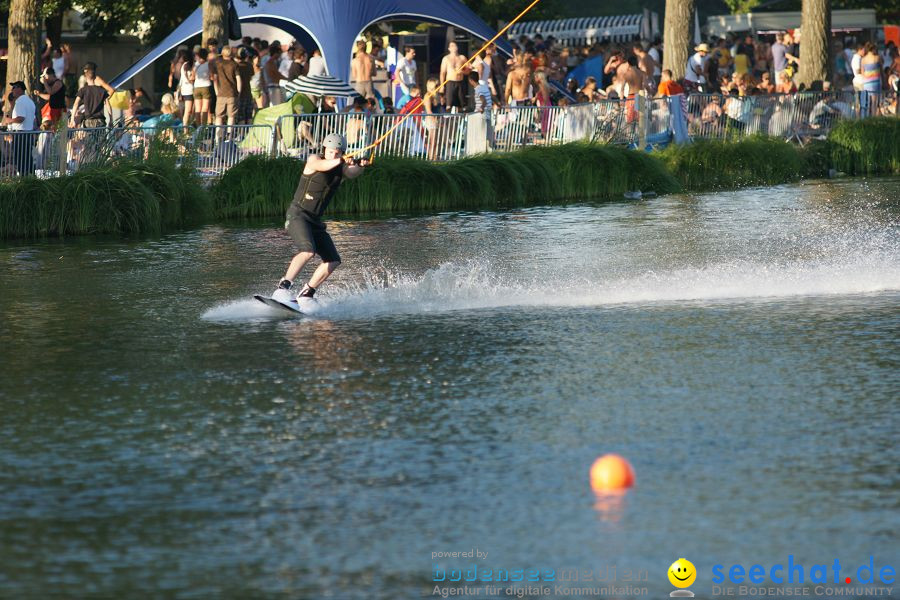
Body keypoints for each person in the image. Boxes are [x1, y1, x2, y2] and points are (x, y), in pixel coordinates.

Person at [274, 133, 369, 302]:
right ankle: (283, 287)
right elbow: (323, 166)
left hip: (315, 221)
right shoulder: (313, 160)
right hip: (298, 215)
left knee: (333, 260)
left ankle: (307, 293)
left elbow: (352, 172)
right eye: (332, 152)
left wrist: (361, 165)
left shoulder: (341, 168)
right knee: (308, 251)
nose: (335, 155)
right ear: (325, 149)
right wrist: (341, 160)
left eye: (338, 153)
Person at [3, 82, 37, 175]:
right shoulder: (30, 101)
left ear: (20, 89)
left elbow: (21, 118)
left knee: (21, 159)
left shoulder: (20, 101)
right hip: (28, 133)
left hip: (20, 134)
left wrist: (9, 120)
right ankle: (31, 179)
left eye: (14, 87)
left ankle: (24, 180)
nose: (12, 90)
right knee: (27, 159)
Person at [70, 63, 114, 128]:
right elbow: (108, 105)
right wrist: (111, 119)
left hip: (88, 121)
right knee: (100, 138)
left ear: (86, 77)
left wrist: (72, 119)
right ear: (94, 77)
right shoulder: (102, 91)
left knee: (89, 138)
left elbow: (75, 104)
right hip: (100, 121)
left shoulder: (83, 90)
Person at [212, 45, 240, 127]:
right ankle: (229, 135)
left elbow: (215, 79)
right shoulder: (234, 64)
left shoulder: (218, 64)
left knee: (219, 116)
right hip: (232, 93)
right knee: (231, 116)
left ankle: (217, 137)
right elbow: (238, 79)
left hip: (221, 93)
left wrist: (216, 91)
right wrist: (238, 91)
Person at [440, 42, 469, 112]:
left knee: (462, 103)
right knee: (449, 103)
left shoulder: (462, 57)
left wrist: (462, 71)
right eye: (452, 46)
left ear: (457, 47)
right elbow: (442, 73)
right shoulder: (446, 58)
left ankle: (461, 117)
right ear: (449, 48)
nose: (453, 48)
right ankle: (448, 118)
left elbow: (468, 70)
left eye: (454, 46)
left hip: (460, 82)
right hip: (450, 82)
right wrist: (442, 86)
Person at [193, 48, 213, 124]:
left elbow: (192, 76)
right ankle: (203, 126)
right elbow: (211, 76)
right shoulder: (208, 64)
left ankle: (198, 127)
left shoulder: (195, 64)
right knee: (205, 108)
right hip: (206, 86)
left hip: (196, 86)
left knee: (197, 109)